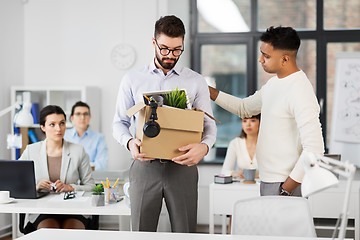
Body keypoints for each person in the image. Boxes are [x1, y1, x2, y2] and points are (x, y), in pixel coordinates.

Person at [112, 15, 216, 232]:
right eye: (165, 48)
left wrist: (204, 147)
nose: (171, 55)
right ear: (153, 43)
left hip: (183, 168)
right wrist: (130, 143)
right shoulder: (132, 79)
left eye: (177, 50)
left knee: (185, 232)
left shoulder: (195, 81)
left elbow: (209, 125)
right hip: (144, 166)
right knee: (141, 232)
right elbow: (119, 123)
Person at [209, 26, 324, 197]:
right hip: (268, 181)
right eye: (261, 53)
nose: (260, 59)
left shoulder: (300, 90)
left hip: (284, 184)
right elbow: (244, 108)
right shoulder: (273, 84)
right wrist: (207, 91)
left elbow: (315, 149)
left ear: (285, 59)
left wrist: (287, 188)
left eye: (266, 56)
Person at [19, 105, 94, 230]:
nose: (58, 128)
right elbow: (18, 185)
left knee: (72, 232)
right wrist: (36, 186)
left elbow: (91, 186)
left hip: (73, 209)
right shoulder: (31, 151)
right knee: (49, 232)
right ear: (43, 127)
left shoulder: (78, 151)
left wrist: (70, 187)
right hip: (42, 210)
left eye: (62, 123)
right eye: (52, 124)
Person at [64, 101, 108, 170]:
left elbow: (102, 165)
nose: (82, 117)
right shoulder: (64, 136)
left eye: (86, 114)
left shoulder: (99, 138)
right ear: (72, 118)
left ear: (90, 117)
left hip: (91, 178)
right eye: (78, 114)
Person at [221, 114, 260, 179]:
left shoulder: (267, 144)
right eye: (244, 121)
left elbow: (274, 172)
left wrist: (257, 175)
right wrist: (236, 174)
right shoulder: (235, 143)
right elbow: (224, 171)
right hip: (241, 186)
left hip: (262, 187)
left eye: (253, 121)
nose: (248, 125)